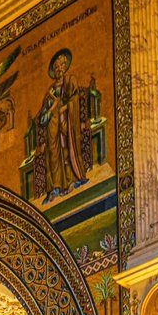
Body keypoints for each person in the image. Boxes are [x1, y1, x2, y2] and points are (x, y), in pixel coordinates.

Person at [33, 48, 91, 203]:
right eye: (56, 67)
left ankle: (72, 180)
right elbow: (43, 118)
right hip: (52, 128)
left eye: (61, 66)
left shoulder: (70, 81)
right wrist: (53, 108)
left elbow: (75, 99)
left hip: (67, 122)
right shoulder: (50, 92)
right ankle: (55, 188)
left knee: (67, 148)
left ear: (65, 66)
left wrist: (63, 109)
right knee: (53, 157)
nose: (59, 69)